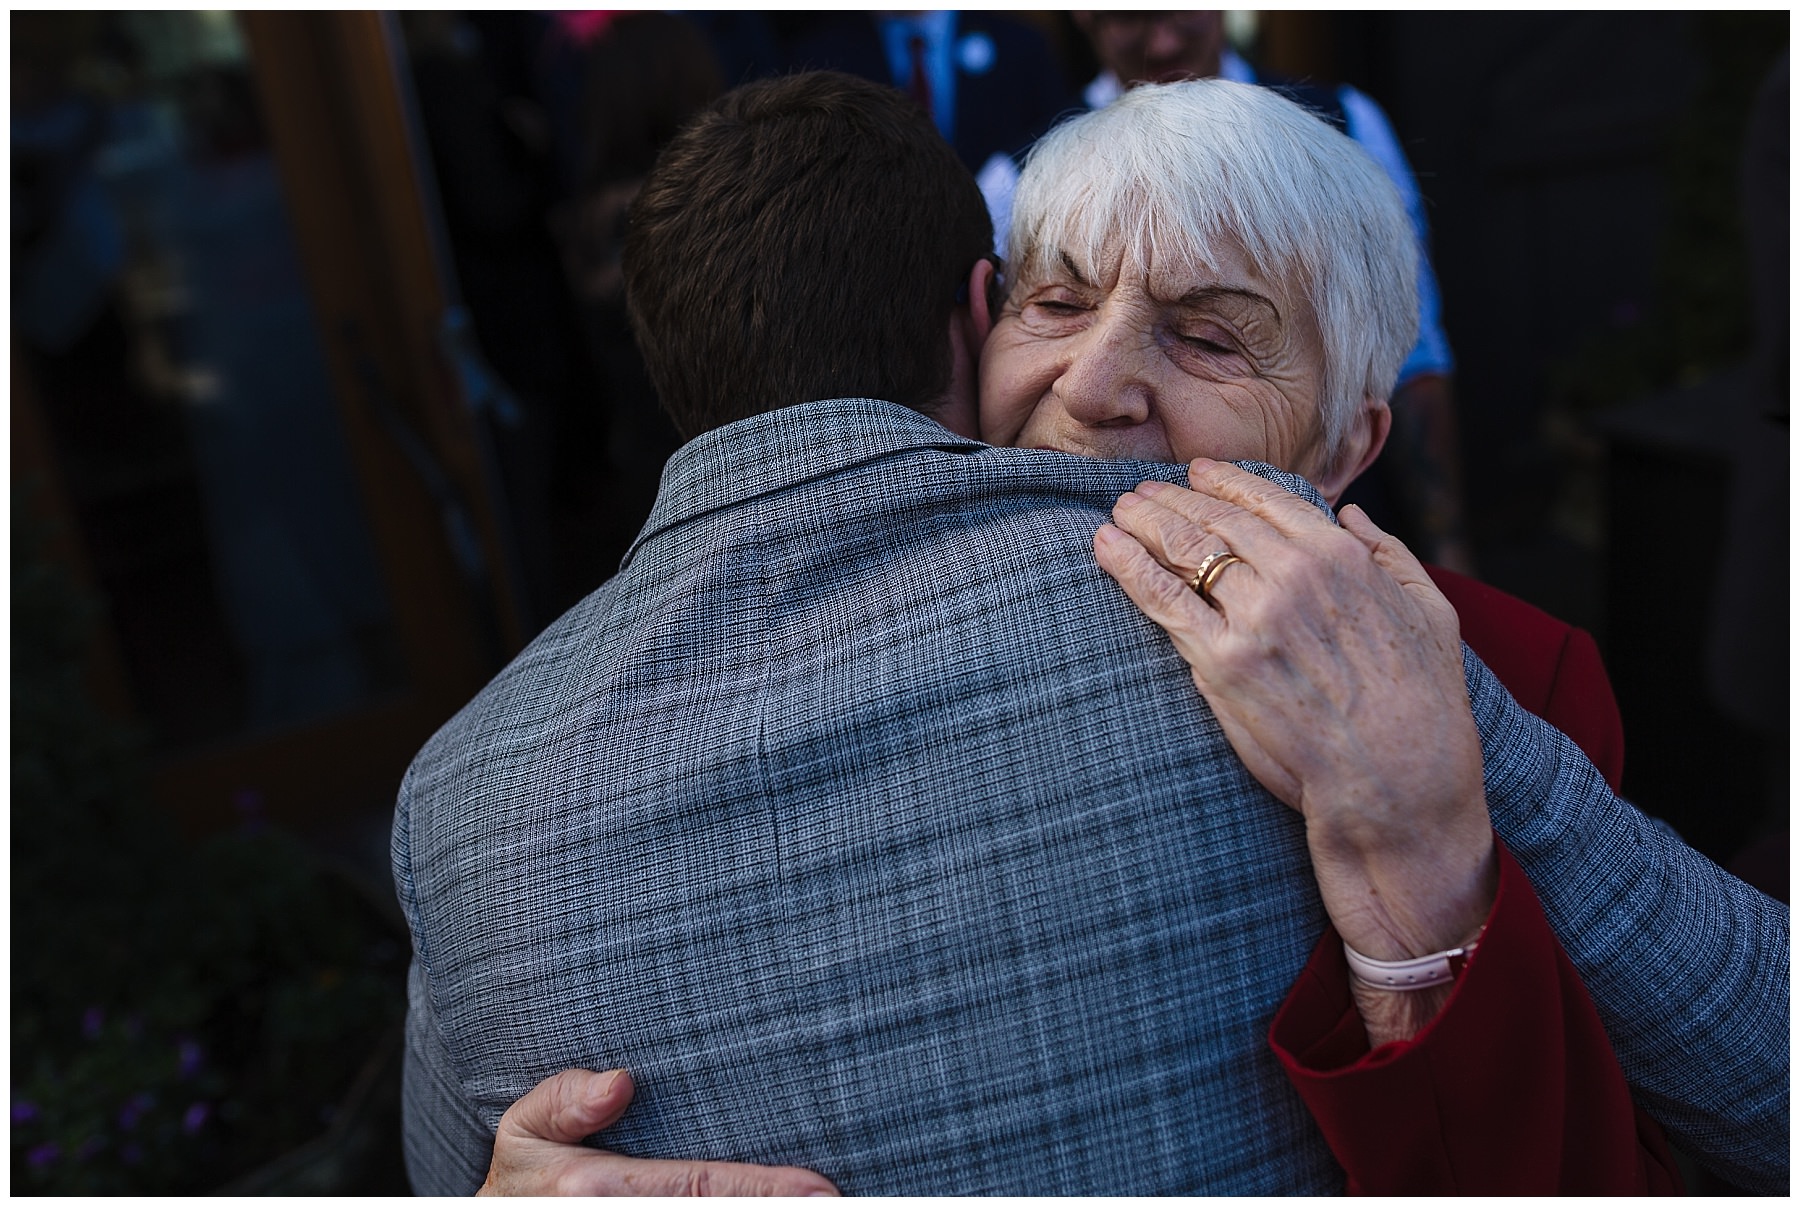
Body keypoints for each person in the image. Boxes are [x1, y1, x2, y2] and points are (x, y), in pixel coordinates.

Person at [399, 75, 1785, 1195]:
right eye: (1058, 306)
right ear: (979, 328)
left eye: (1210, 338)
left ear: (1352, 440)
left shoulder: (1499, 670)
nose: (1099, 382)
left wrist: (1426, 882)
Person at [972, 10, 1474, 575]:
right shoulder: (1010, 176)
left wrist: (1447, 550)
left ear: (1342, 448)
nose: (1087, 392)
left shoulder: (1348, 120)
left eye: (1207, 341)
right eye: (1058, 305)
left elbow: (1415, 359)